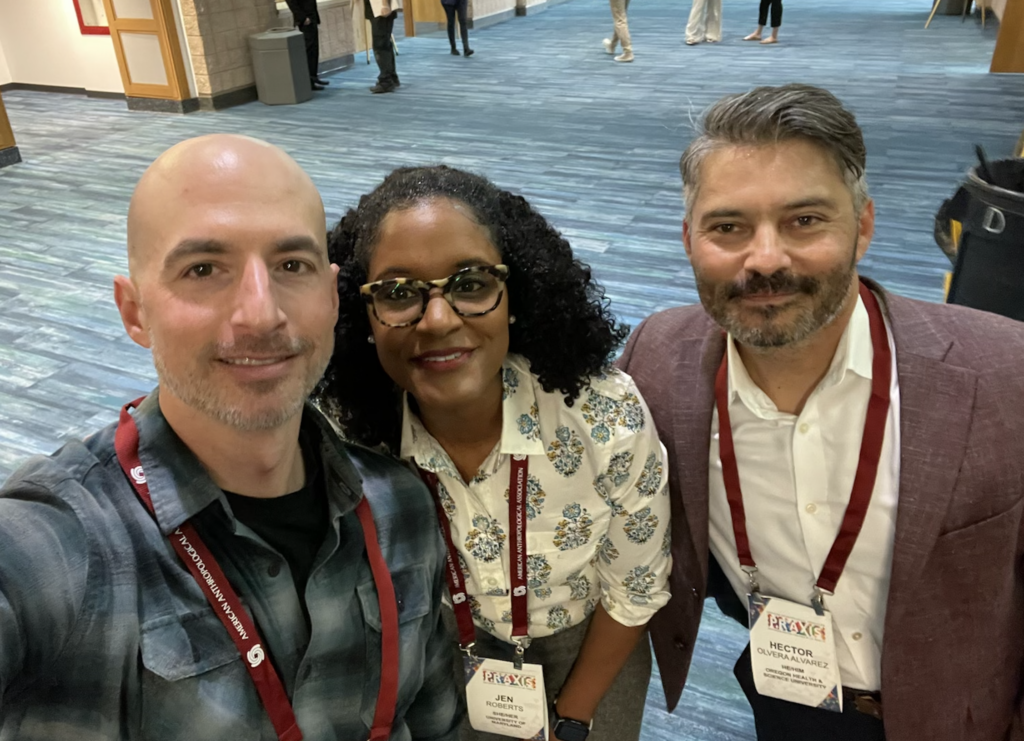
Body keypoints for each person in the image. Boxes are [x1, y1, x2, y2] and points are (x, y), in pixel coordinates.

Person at [0, 134, 461, 741]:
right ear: (135, 312)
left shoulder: (402, 504)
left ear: (329, 295)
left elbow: (435, 724)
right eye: (204, 269)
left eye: (290, 265)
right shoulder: (62, 545)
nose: (260, 313)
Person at [617, 83, 1024, 740]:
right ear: (689, 237)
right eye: (729, 227)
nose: (767, 258)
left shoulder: (1008, 373)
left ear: (863, 224)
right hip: (785, 699)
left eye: (805, 220)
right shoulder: (654, 360)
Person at [319, 165, 671, 741]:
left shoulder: (602, 418)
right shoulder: (345, 437)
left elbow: (635, 589)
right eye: (399, 293)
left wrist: (575, 716)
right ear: (363, 314)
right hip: (437, 651)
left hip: (590, 651)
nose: (437, 320)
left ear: (515, 295)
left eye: (470, 284)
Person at [284, 0, 330, 90]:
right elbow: (291, 2)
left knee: (314, 50)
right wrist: (302, 18)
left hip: (312, 17)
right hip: (305, 20)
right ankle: (308, 80)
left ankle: (313, 78)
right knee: (308, 50)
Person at [365, 0, 400, 93]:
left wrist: (384, 5)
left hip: (381, 7)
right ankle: (392, 77)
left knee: (380, 45)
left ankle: (386, 81)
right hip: (376, 7)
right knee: (384, 43)